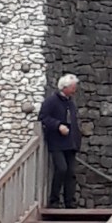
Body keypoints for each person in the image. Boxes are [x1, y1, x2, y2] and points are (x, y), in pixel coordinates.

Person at [38, 73, 82, 209]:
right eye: (73, 87)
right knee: (61, 169)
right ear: (65, 87)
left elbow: (73, 122)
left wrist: (76, 141)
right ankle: (54, 200)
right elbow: (43, 117)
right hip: (57, 142)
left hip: (70, 143)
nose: (75, 90)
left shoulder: (71, 103)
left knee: (71, 173)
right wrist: (58, 125)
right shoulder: (51, 101)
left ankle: (70, 202)